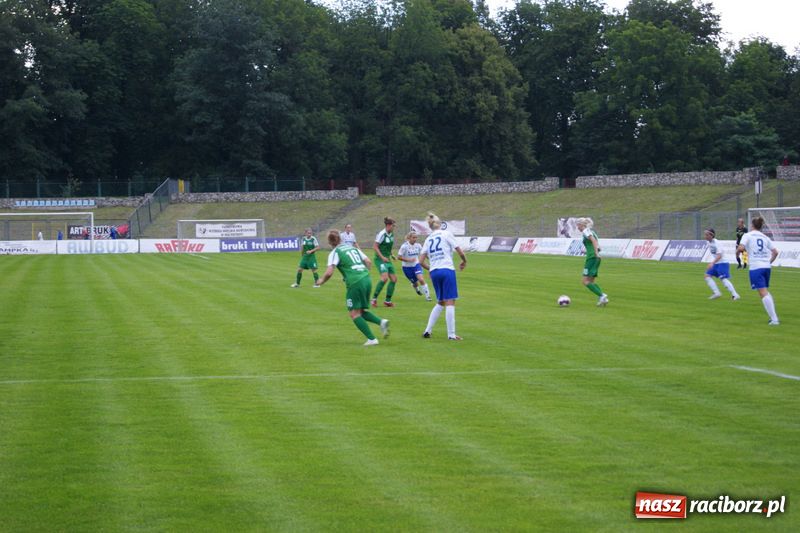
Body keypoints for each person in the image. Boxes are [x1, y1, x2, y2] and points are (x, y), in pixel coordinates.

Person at [315, 230, 389, 345]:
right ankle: (381, 322)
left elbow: (329, 272)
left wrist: (321, 281)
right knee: (361, 311)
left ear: (329, 242)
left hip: (355, 282)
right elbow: (368, 262)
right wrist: (362, 273)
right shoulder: (353, 248)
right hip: (366, 278)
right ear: (340, 238)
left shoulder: (335, 252)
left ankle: (372, 339)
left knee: (354, 313)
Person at [419, 213, 467, 340]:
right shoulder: (446, 234)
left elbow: (420, 261)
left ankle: (427, 331)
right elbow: (459, 251)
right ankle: (451, 334)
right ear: (440, 224)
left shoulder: (428, 239)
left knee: (441, 302)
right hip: (446, 269)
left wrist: (431, 268)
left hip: (435, 272)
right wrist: (464, 261)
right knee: (450, 301)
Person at [737, 217, 780, 325]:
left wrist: (737, 252)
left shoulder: (747, 235)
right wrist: (768, 262)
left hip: (756, 267)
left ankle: (774, 319)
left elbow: (741, 248)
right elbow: (775, 252)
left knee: (763, 292)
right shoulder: (765, 237)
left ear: (752, 225)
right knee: (764, 291)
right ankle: (773, 318)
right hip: (766, 267)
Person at [576, 217, 609, 306]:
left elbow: (593, 241)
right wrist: (589, 251)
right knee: (591, 281)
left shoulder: (586, 231)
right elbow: (598, 246)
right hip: (595, 258)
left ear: (581, 225)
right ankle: (602, 298)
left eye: (578, 225)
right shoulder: (591, 232)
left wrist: (595, 253)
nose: (577, 228)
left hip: (592, 258)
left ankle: (602, 295)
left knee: (585, 281)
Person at [703, 228, 740, 301]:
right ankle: (717, 293)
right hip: (717, 263)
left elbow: (720, 255)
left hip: (723, 263)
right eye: (705, 235)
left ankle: (735, 295)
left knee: (723, 279)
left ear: (711, 235)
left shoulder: (717, 243)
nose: (705, 236)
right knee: (707, 276)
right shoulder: (708, 242)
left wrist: (712, 263)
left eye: (707, 235)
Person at [397, 232, 431, 301]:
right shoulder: (404, 246)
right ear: (409, 238)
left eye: (416, 237)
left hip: (416, 265)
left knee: (421, 279)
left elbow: (423, 254)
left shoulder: (418, 245)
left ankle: (428, 296)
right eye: (413, 237)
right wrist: (408, 260)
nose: (415, 239)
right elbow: (399, 257)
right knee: (415, 282)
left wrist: (430, 258)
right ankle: (416, 289)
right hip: (406, 268)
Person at [371, 217, 398, 307]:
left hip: (387, 259)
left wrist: (391, 254)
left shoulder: (391, 234)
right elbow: (375, 247)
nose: (394, 227)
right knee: (384, 278)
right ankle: (374, 299)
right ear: (388, 225)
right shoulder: (382, 234)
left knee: (394, 279)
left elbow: (387, 247)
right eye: (393, 226)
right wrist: (382, 257)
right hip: (380, 259)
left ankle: (387, 301)